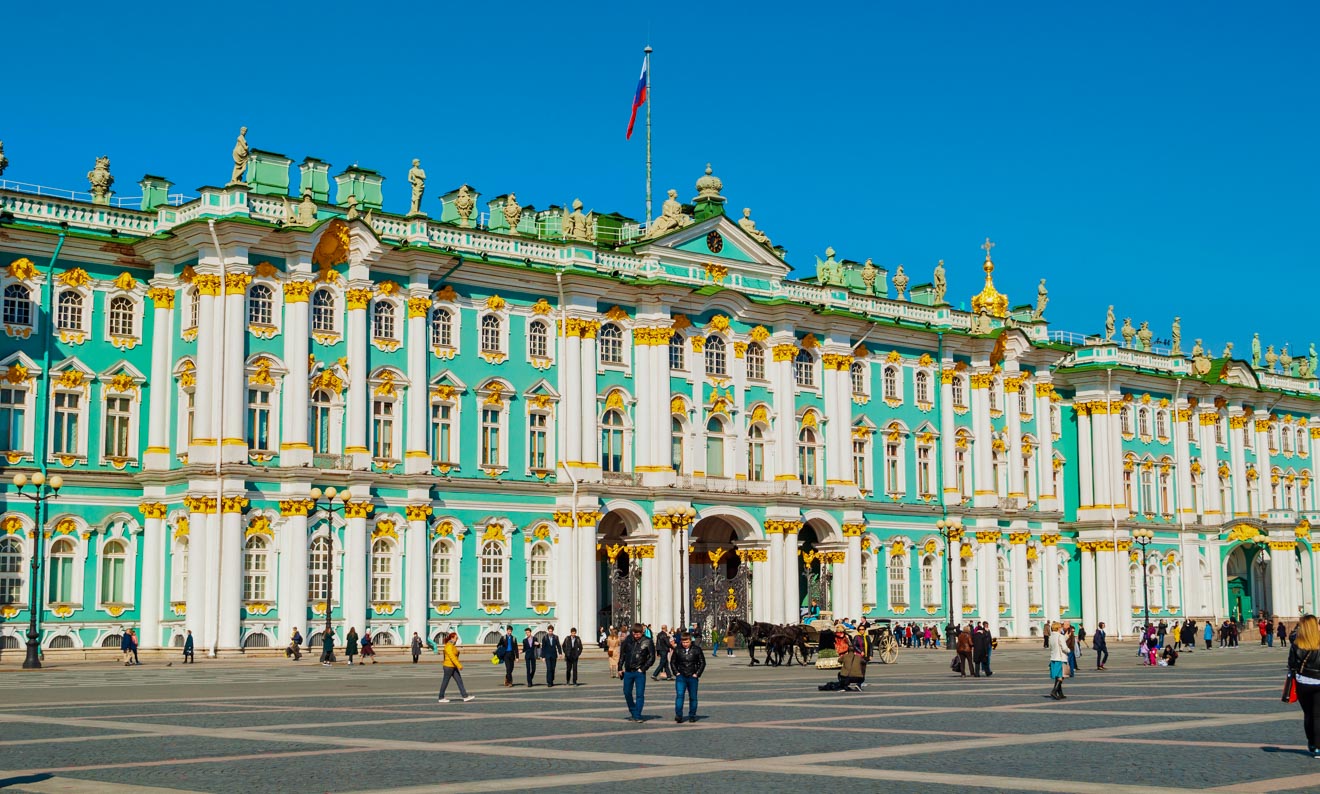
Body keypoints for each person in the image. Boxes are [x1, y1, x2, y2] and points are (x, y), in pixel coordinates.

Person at [1287, 614, 1320, 757]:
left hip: (1303, 682)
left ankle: (1312, 744)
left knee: (1308, 714)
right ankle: (1319, 747)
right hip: (1319, 682)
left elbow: (1291, 664)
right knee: (1318, 715)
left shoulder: (1296, 644)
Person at [618, 622, 655, 722]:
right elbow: (622, 655)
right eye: (634, 634)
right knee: (626, 692)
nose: (636, 636)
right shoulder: (628, 640)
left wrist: (643, 668)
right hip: (628, 671)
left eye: (638, 634)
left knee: (640, 694)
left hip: (639, 672)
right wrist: (619, 668)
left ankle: (637, 715)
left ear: (642, 632)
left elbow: (652, 658)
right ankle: (633, 711)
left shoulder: (648, 641)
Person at [671, 632, 706, 723]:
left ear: (690, 641)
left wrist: (697, 673)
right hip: (681, 676)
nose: (685, 644)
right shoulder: (678, 649)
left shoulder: (697, 649)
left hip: (692, 676)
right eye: (683, 642)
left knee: (693, 697)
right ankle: (679, 715)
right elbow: (673, 662)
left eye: (687, 642)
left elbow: (702, 663)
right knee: (680, 696)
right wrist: (676, 672)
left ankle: (692, 715)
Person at [436, 632, 475, 704]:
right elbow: (452, 657)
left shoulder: (452, 645)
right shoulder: (449, 646)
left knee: (459, 681)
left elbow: (455, 654)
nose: (457, 640)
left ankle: (465, 696)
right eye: (456, 638)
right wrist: (459, 665)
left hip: (452, 666)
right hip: (448, 667)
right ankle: (441, 697)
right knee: (445, 682)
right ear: (452, 638)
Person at [1048, 621, 1069, 700]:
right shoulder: (1060, 636)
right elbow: (1064, 647)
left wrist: (1066, 637)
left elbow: (1051, 646)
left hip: (1054, 657)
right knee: (1061, 676)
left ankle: (1060, 693)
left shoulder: (1051, 637)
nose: (1061, 628)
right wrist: (1069, 650)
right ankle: (1054, 691)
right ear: (1058, 628)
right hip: (1061, 658)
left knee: (1059, 676)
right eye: (1060, 627)